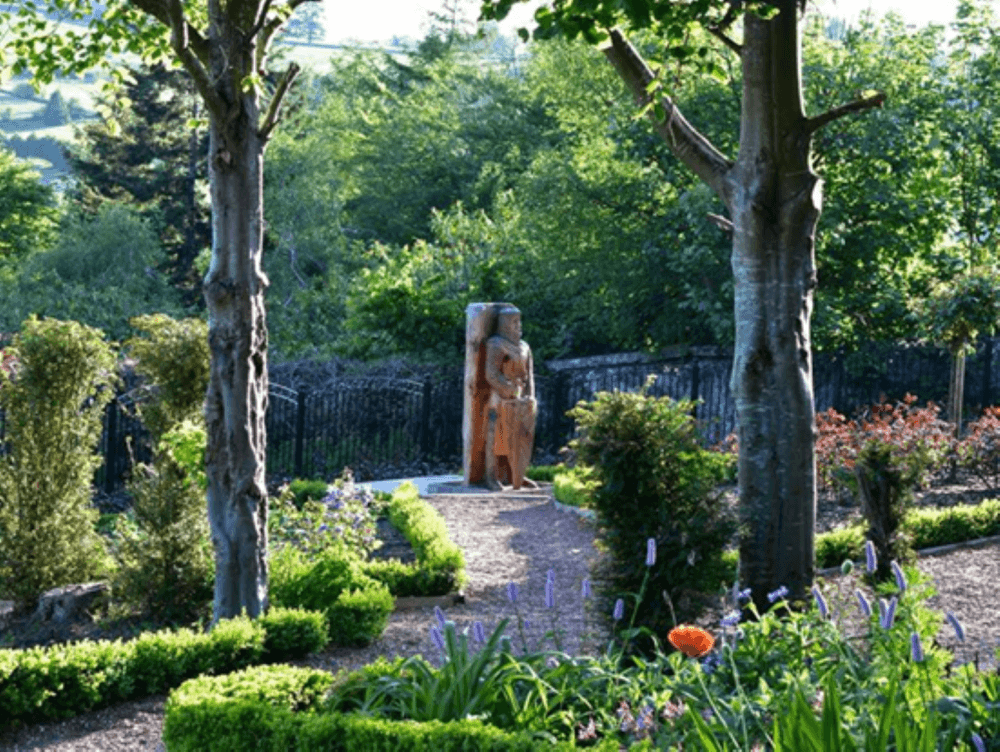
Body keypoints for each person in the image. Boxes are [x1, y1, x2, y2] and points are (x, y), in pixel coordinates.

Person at [482, 307, 538, 491]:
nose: (518, 326)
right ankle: (491, 476)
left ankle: (518, 475)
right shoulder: (496, 344)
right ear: (504, 324)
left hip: (521, 400)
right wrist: (508, 389)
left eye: (519, 321)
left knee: (522, 435)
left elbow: (529, 375)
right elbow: (491, 374)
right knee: (496, 436)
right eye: (514, 322)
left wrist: (529, 394)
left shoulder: (524, 346)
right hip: (500, 398)